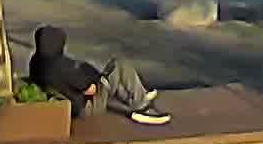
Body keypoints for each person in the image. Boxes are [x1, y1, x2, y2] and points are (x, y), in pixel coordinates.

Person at [27, 24, 169, 125]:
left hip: (69, 105)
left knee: (108, 77)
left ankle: (136, 94)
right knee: (118, 66)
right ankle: (142, 108)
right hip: (86, 107)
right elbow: (91, 90)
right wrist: (95, 78)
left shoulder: (36, 61)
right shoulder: (62, 67)